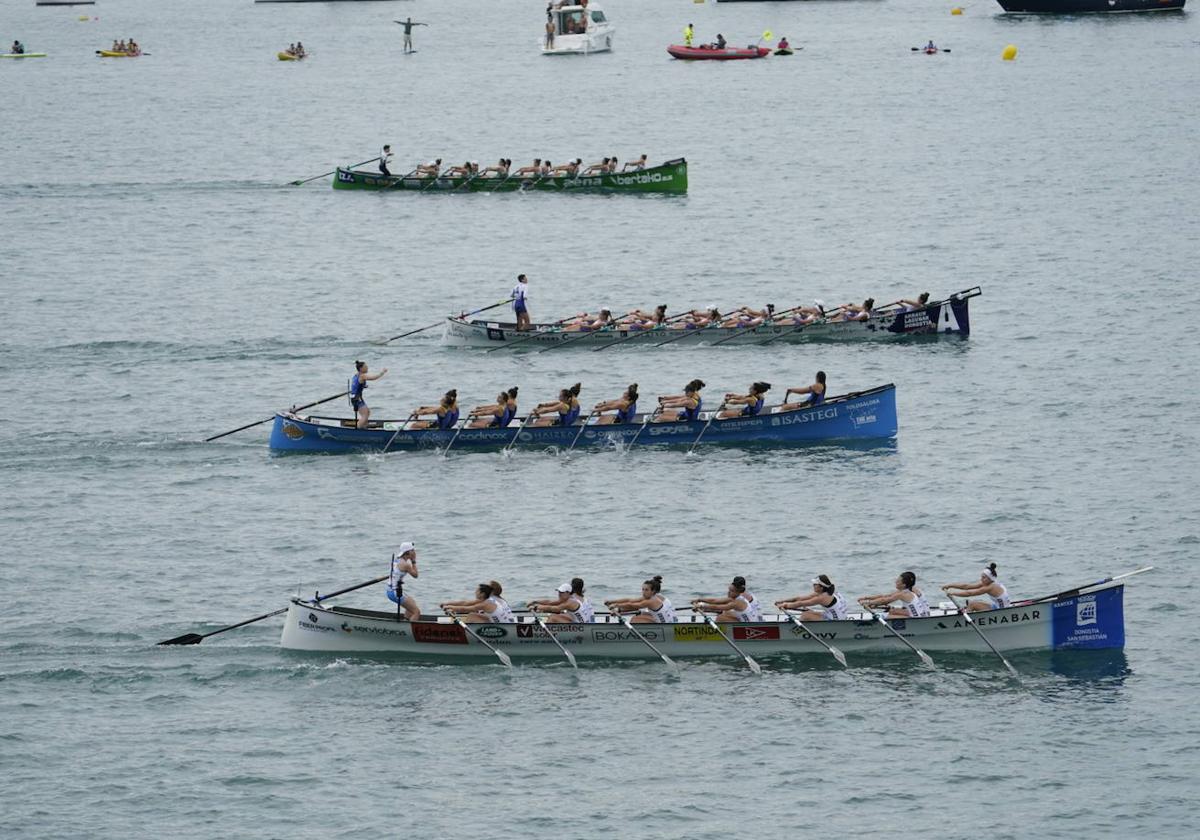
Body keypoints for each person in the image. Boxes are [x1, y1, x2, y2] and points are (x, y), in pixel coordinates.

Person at [858, 571, 931, 619]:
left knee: (882, 616)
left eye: (898, 581)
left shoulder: (903, 594)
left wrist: (868, 603)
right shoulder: (906, 590)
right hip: (915, 614)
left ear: (903, 585)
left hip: (915, 620)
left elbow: (884, 601)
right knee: (892, 611)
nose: (895, 581)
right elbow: (885, 596)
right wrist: (866, 598)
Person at [775, 575, 849, 621]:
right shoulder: (826, 591)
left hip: (836, 621)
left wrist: (785, 606)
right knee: (807, 611)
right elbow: (800, 599)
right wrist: (783, 601)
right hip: (835, 615)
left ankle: (795, 633)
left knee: (805, 615)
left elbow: (801, 603)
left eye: (815, 584)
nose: (813, 585)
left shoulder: (823, 597)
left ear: (821, 587)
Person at [605, 576, 675, 624]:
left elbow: (633, 606)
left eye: (646, 590)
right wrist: (612, 602)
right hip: (662, 620)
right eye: (643, 589)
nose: (643, 592)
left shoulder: (651, 601)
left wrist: (616, 605)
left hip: (665, 624)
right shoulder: (650, 597)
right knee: (636, 617)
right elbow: (630, 600)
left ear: (653, 591)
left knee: (635, 620)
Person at [943, 563, 1012, 612]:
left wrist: (953, 593)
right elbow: (967, 586)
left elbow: (970, 593)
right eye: (981, 577)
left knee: (972, 604)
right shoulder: (988, 582)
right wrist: (949, 585)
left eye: (984, 577)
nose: (981, 579)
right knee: (972, 602)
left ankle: (965, 623)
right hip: (997, 606)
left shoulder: (991, 587)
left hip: (1001, 611)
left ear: (990, 578)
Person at [692, 576, 763, 623]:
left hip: (748, 625)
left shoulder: (737, 602)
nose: (728, 593)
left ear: (737, 592)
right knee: (726, 612)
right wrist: (699, 599)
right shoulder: (735, 598)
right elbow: (715, 601)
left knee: (720, 618)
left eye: (731, 591)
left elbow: (717, 607)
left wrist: (701, 606)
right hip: (748, 619)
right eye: (729, 590)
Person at [441, 581, 515, 624]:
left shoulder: (486, 604)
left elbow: (465, 609)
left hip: (503, 625)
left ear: (482, 594)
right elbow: (465, 603)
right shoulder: (486, 599)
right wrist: (447, 604)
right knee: (472, 615)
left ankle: (462, 635)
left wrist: (450, 607)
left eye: (477, 591)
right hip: (501, 621)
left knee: (471, 616)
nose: (475, 592)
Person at [528, 579, 595, 624]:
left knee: (553, 617)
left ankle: (544, 637)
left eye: (562, 592)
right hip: (581, 621)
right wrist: (535, 601)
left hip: (582, 626)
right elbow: (550, 602)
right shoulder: (574, 598)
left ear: (568, 592)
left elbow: (555, 608)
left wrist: (536, 607)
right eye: (559, 592)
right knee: (558, 614)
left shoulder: (571, 602)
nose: (559, 594)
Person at [386, 542, 420, 620]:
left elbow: (395, 573)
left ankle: (406, 621)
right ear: (408, 552)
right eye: (413, 550)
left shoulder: (397, 559)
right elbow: (415, 575)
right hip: (395, 592)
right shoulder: (405, 565)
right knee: (416, 612)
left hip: (390, 590)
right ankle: (409, 629)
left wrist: (399, 580)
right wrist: (413, 561)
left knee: (412, 605)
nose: (414, 552)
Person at [349, 360, 387, 429]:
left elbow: (357, 384)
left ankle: (364, 428)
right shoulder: (362, 376)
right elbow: (373, 378)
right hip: (357, 398)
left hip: (356, 397)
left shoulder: (357, 375)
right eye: (365, 367)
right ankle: (357, 431)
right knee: (365, 415)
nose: (367, 368)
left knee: (367, 412)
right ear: (361, 369)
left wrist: (364, 386)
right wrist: (382, 372)